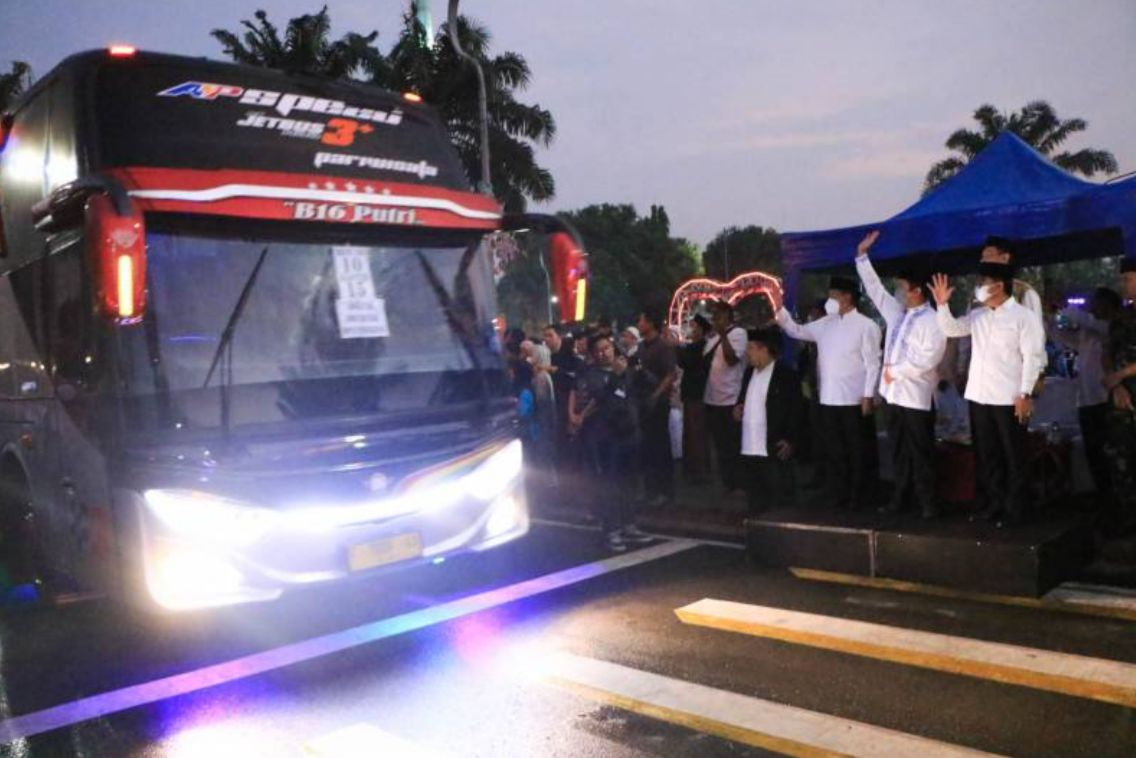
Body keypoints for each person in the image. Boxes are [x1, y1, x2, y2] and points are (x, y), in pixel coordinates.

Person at [931, 263, 1047, 527]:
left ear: (999, 285)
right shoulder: (979, 315)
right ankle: (993, 504)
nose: (980, 287)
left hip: (1009, 396)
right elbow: (952, 329)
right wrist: (941, 305)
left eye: (984, 281)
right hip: (980, 394)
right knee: (986, 454)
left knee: (1013, 454)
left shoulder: (1023, 317)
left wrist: (1025, 393)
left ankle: (1016, 509)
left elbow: (1033, 357)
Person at [855, 231, 947, 518]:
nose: (898, 293)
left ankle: (928, 502)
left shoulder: (933, 321)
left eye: (903, 288)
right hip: (894, 396)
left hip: (916, 397)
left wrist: (894, 371)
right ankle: (900, 498)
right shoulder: (898, 313)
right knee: (897, 450)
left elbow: (927, 359)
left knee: (921, 451)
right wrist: (862, 256)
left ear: (917, 290)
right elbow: (875, 290)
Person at [772, 277, 883, 510]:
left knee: (857, 449)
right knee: (835, 449)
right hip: (829, 398)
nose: (830, 300)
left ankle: (860, 495)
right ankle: (839, 493)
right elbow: (796, 330)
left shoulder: (867, 326)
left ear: (847, 297)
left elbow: (873, 364)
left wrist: (868, 395)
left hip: (854, 399)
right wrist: (780, 310)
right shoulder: (825, 324)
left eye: (833, 295)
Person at [568, 334, 650, 551]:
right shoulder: (592, 375)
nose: (604, 352)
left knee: (629, 482)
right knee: (610, 484)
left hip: (630, 435)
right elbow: (599, 399)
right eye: (599, 349)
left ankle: (629, 524)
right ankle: (611, 529)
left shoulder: (627, 371)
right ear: (593, 354)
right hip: (607, 437)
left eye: (607, 347)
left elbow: (643, 390)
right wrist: (615, 376)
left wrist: (640, 370)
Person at [1045, 288, 1123, 500]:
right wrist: (1050, 317)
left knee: (1109, 452)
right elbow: (1061, 337)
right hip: (1086, 400)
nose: (1093, 308)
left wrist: (1063, 305)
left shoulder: (1110, 328)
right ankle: (1102, 498)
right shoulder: (1087, 334)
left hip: (1105, 400)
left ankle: (1116, 498)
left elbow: (1085, 319)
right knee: (1093, 453)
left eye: (1098, 304)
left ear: (1109, 306)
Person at [734, 328, 804, 515]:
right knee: (755, 497)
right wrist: (738, 407)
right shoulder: (749, 373)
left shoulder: (785, 375)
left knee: (779, 500)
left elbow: (796, 411)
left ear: (763, 349)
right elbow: (742, 399)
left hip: (773, 445)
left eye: (750, 348)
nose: (747, 354)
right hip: (750, 445)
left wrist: (791, 439)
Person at [1102, 259, 1136, 535]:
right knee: (1120, 456)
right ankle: (1126, 518)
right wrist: (1116, 384)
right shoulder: (1122, 318)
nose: (1124, 284)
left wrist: (1122, 373)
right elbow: (1107, 354)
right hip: (1122, 398)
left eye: (1129, 278)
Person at [703, 301, 749, 492]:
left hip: (729, 398)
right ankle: (726, 481)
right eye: (714, 316)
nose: (716, 320)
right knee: (720, 444)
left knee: (732, 443)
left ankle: (737, 482)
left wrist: (723, 334)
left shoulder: (739, 334)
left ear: (729, 317)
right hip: (712, 398)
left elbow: (732, 360)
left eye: (719, 316)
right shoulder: (713, 339)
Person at [634, 310, 678, 508]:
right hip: (643, 402)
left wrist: (656, 394)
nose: (639, 324)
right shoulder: (641, 347)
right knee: (647, 447)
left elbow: (670, 374)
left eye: (641, 320)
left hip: (658, 404)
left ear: (650, 323)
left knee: (660, 446)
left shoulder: (663, 346)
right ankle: (650, 489)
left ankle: (665, 491)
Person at [679, 314, 713, 483]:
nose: (690, 329)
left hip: (696, 394)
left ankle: (699, 470)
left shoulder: (701, 347)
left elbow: (688, 363)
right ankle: (694, 468)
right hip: (692, 394)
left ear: (700, 330)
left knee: (696, 433)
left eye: (693, 326)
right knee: (692, 433)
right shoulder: (694, 346)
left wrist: (677, 348)